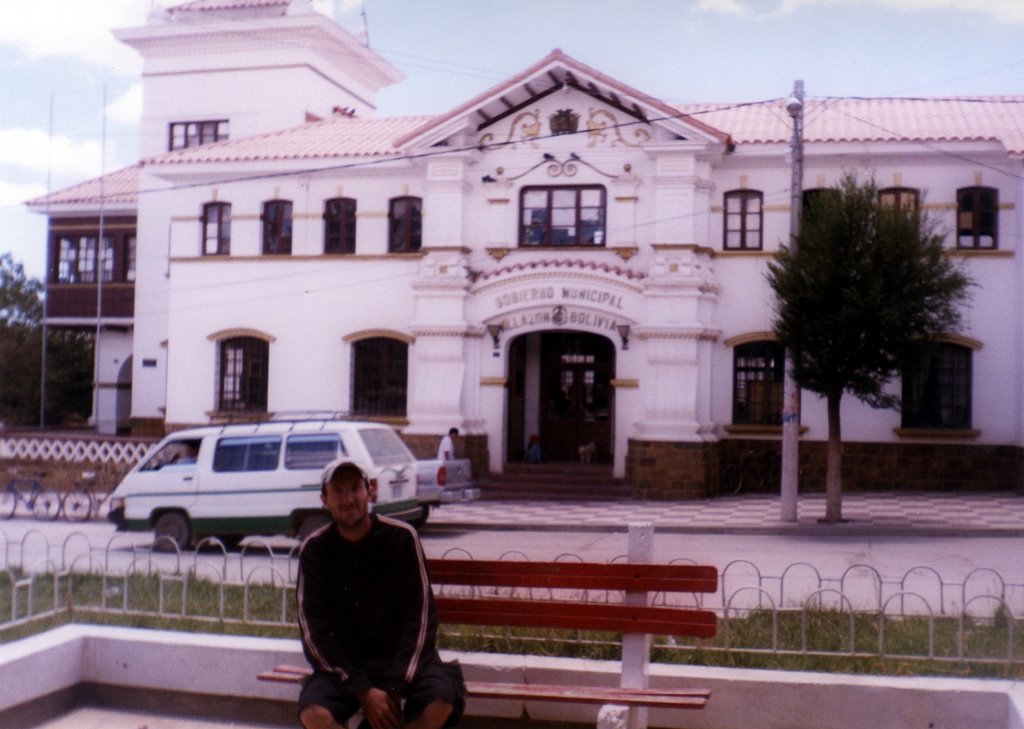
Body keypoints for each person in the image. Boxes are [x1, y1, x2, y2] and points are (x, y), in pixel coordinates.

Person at [296, 458, 465, 729]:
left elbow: (421, 621)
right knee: (314, 714)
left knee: (441, 702)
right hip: (347, 665)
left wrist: (394, 688)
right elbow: (314, 634)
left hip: (404, 659)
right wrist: (363, 690)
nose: (348, 499)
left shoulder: (402, 538)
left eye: (355, 488)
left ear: (370, 491)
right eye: (338, 491)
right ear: (324, 500)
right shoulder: (315, 551)